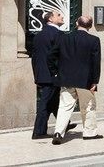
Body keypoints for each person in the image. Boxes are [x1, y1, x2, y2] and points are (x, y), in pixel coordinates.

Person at [52, 14, 103, 144]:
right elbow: (96, 63)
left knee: (64, 107)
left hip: (66, 79)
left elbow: (51, 55)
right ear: (90, 26)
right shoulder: (94, 40)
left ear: (76, 24)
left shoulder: (64, 39)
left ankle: (58, 132)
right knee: (88, 106)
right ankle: (89, 133)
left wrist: (56, 72)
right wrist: (95, 81)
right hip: (85, 80)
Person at [25, 9, 67, 140]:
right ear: (50, 19)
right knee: (45, 103)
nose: (62, 16)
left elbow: (35, 56)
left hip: (41, 74)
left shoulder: (39, 35)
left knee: (53, 101)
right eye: (58, 15)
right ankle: (38, 131)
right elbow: (60, 56)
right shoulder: (58, 34)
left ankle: (64, 124)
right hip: (52, 74)